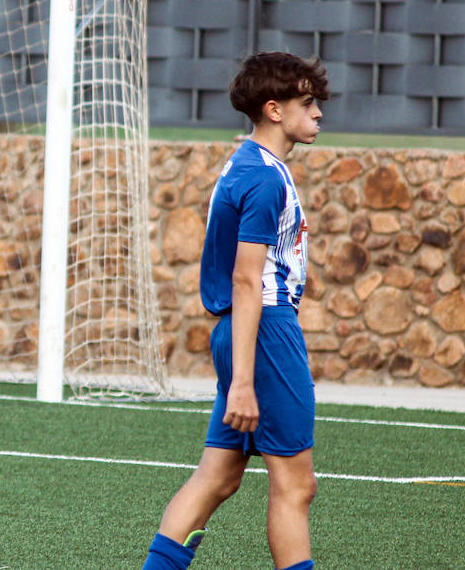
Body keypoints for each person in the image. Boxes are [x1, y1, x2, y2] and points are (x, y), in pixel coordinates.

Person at [141, 52, 328, 570]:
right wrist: (243, 381)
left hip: (240, 332)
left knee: (218, 476)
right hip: (264, 330)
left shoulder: (245, 164)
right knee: (296, 484)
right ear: (274, 109)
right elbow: (247, 280)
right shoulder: (265, 177)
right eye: (306, 103)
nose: (317, 114)